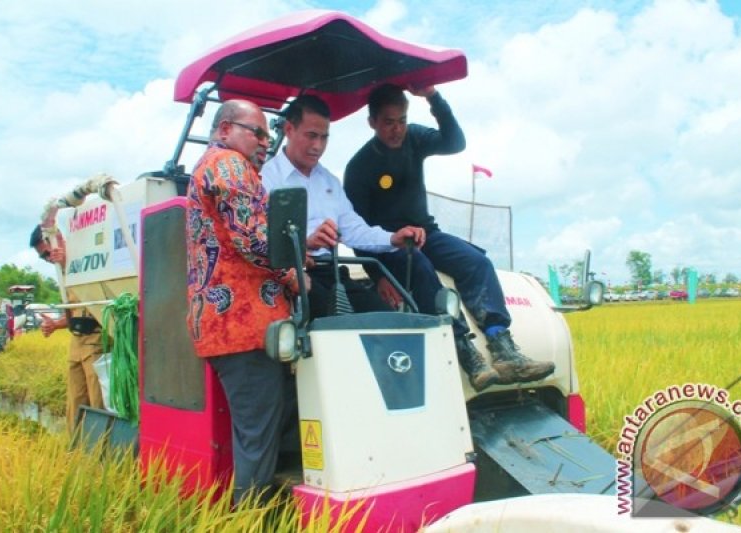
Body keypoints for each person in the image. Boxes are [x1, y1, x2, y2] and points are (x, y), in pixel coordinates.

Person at [344, 83, 554, 391]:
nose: (397, 129)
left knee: (477, 262)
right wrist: (379, 274)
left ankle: (502, 346)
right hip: (389, 244)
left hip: (426, 232)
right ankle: (465, 350)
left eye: (401, 119)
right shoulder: (359, 167)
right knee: (421, 268)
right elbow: (355, 231)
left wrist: (433, 97)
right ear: (372, 122)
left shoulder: (414, 137)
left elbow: (455, 142)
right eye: (388, 122)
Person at [185, 99, 305, 505]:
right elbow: (253, 239)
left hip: (236, 327)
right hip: (243, 326)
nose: (263, 142)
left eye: (267, 136)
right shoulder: (227, 165)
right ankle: (248, 519)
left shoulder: (222, 167)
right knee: (257, 441)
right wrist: (294, 273)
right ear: (224, 130)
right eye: (256, 132)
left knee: (263, 431)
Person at [262, 94, 425, 319]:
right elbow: (259, 241)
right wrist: (304, 244)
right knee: (339, 324)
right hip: (291, 277)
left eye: (324, 137)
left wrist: (393, 238)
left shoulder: (330, 181)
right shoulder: (265, 179)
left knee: (388, 320)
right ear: (289, 129)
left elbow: (353, 229)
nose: (317, 146)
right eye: (311, 136)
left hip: (333, 272)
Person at [30, 226, 105, 432]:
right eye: (43, 256)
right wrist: (55, 324)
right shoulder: (61, 271)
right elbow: (77, 312)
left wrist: (68, 264)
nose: (47, 258)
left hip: (96, 339)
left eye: (46, 252)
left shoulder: (88, 258)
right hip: (77, 341)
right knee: (76, 401)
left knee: (97, 400)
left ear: (58, 238)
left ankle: (102, 452)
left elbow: (97, 304)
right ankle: (75, 450)